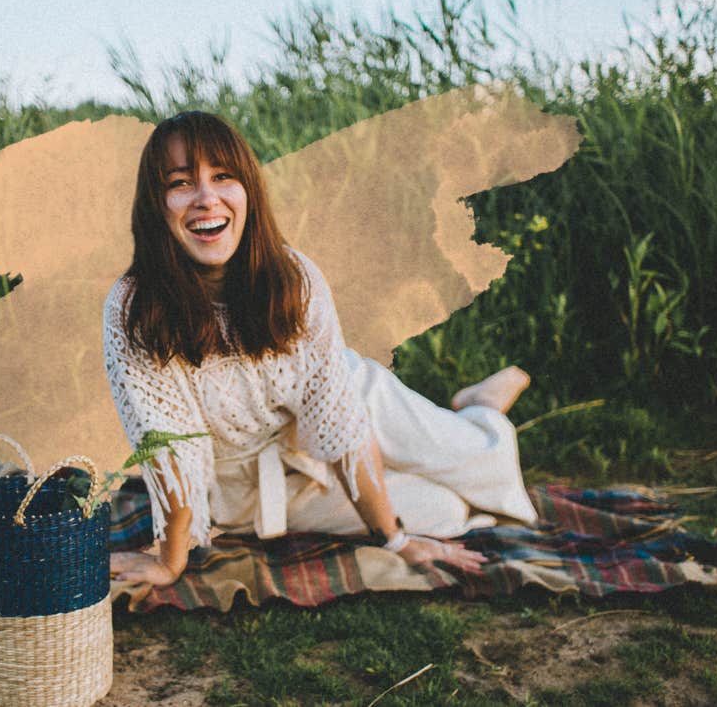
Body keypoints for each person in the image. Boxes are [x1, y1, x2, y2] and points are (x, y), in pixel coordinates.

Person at [105, 111, 538, 587]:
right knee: (446, 511)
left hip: (348, 395)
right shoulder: (134, 311)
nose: (207, 199)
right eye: (182, 183)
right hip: (247, 488)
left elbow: (339, 420)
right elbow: (172, 448)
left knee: (464, 452)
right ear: (157, 203)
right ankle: (469, 417)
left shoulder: (295, 277)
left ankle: (482, 413)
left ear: (248, 190)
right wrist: (170, 560)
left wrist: (391, 539)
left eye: (223, 177)